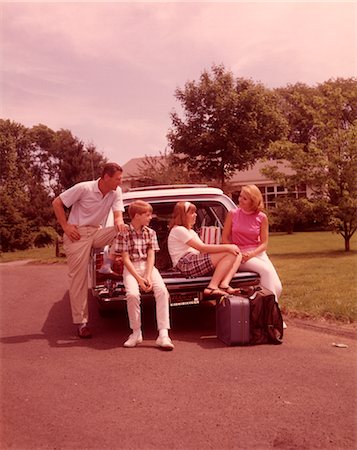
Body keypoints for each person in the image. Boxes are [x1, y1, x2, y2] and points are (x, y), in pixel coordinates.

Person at [52, 162, 126, 339]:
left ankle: (106, 266)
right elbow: (57, 202)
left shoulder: (116, 192)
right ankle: (82, 323)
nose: (120, 183)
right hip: (77, 235)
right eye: (118, 179)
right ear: (106, 177)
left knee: (124, 231)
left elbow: (118, 216)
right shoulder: (84, 188)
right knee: (79, 279)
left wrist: (120, 224)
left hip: (96, 232)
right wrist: (65, 226)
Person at [114, 200, 174, 350]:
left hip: (148, 266)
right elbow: (125, 259)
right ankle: (136, 333)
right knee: (133, 295)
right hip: (131, 267)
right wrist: (139, 280)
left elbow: (151, 255)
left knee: (162, 291)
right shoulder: (124, 233)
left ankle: (163, 334)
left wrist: (147, 275)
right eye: (147, 215)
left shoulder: (150, 232)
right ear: (136, 216)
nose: (150, 217)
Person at [221, 184, 283, 302]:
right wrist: (236, 252)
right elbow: (225, 239)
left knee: (278, 288)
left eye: (244, 198)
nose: (240, 200)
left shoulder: (262, 217)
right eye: (240, 196)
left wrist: (252, 254)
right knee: (265, 271)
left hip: (257, 253)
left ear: (253, 201)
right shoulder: (232, 214)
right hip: (239, 255)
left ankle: (267, 310)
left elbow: (264, 244)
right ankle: (273, 316)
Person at [167, 201, 242, 297]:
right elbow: (202, 247)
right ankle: (212, 287)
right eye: (192, 213)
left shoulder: (190, 231)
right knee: (230, 252)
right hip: (185, 263)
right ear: (183, 215)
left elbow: (203, 250)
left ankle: (224, 284)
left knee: (237, 253)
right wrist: (228, 247)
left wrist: (228, 248)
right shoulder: (178, 230)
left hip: (193, 259)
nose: (196, 215)